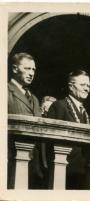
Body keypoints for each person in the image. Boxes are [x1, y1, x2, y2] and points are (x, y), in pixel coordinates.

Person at [47, 70, 90, 189]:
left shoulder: (85, 113)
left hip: (82, 171)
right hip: (63, 169)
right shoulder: (59, 106)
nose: (87, 89)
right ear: (71, 86)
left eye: (88, 86)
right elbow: (49, 142)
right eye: (83, 85)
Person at [7, 52, 44, 189]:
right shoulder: (5, 91)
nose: (31, 73)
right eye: (27, 68)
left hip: (34, 163)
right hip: (12, 159)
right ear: (15, 69)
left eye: (33, 69)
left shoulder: (34, 98)